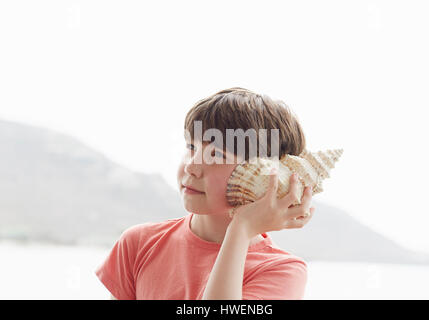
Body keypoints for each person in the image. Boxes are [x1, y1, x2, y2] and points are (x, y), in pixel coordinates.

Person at [95, 87, 315, 300]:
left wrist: (241, 229)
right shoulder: (139, 243)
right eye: (191, 147)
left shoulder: (282, 271)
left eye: (217, 154)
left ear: (266, 175)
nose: (192, 166)